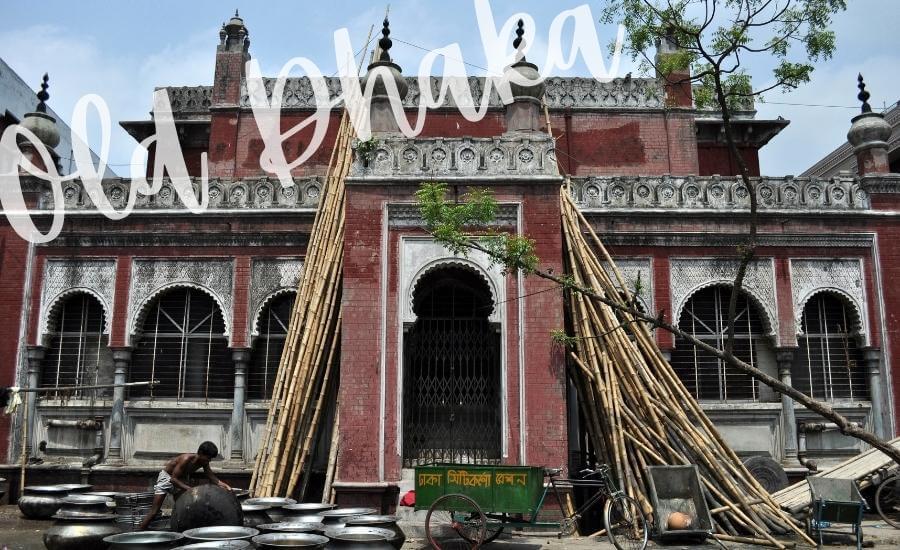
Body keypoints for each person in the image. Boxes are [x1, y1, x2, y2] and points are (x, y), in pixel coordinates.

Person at [137, 441, 231, 530]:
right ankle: (138, 532)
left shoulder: (204, 462)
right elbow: (173, 479)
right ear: (201, 453)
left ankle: (179, 531)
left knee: (183, 509)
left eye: (210, 458)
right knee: (154, 511)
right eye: (208, 457)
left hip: (180, 481)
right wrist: (190, 489)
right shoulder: (186, 459)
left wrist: (226, 486)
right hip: (166, 478)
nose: (209, 460)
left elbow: (211, 476)